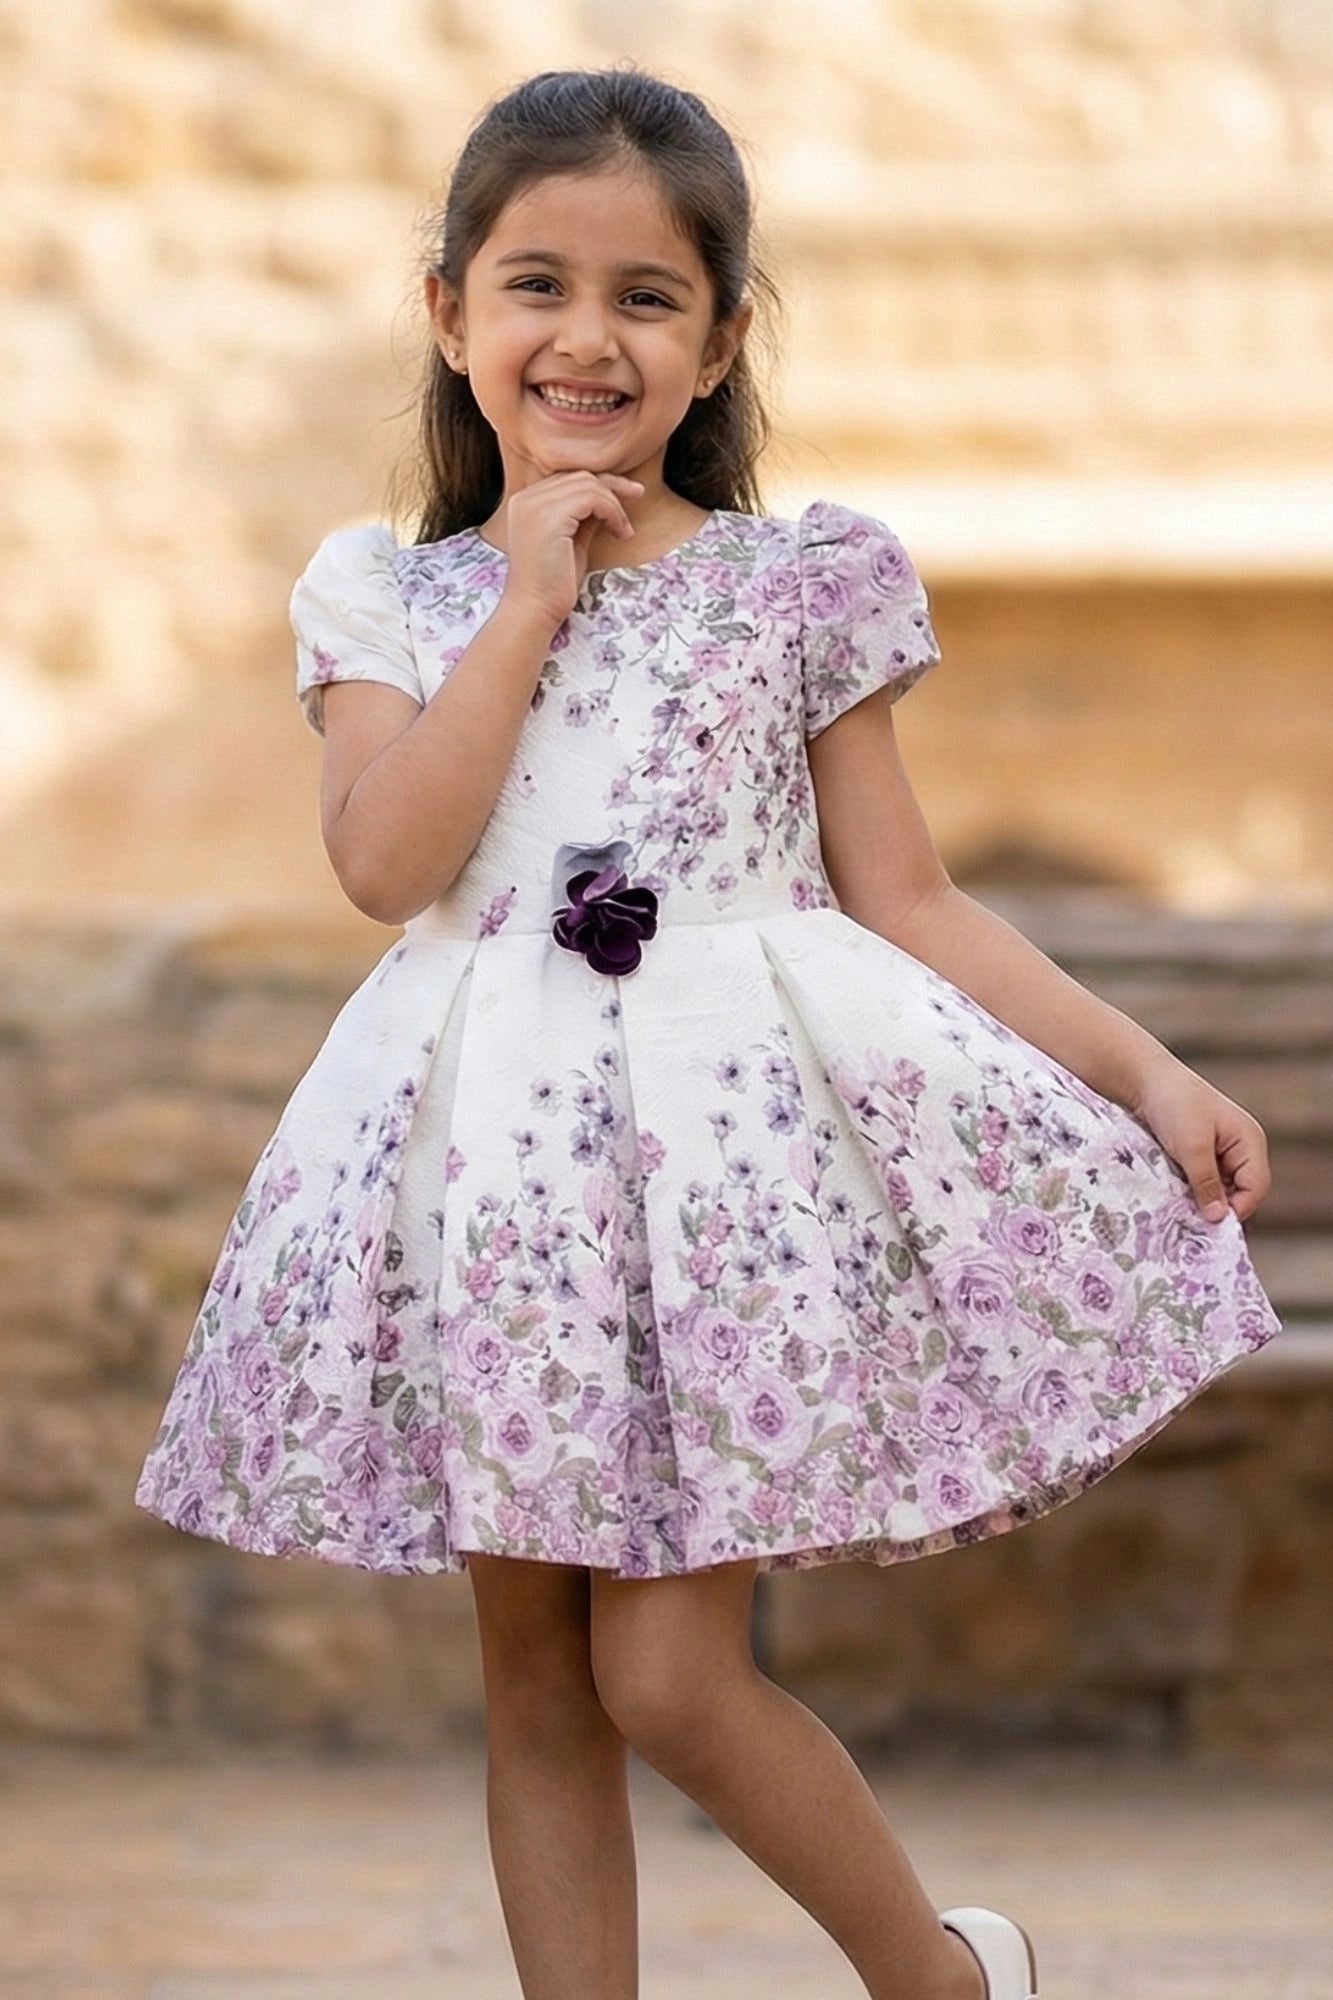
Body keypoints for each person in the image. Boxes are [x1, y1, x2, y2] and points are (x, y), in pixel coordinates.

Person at [134, 63, 1284, 2000]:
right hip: (498, 1187)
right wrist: (524, 599)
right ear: (450, 312)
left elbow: (909, 898)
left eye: (646, 297)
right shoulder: (386, 593)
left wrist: (1145, 1073)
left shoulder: (793, 585)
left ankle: (939, 1978)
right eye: (536, 285)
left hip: (719, 1188)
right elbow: (386, 861)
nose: (587, 337)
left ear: (719, 340)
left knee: (664, 1672)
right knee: (536, 1685)